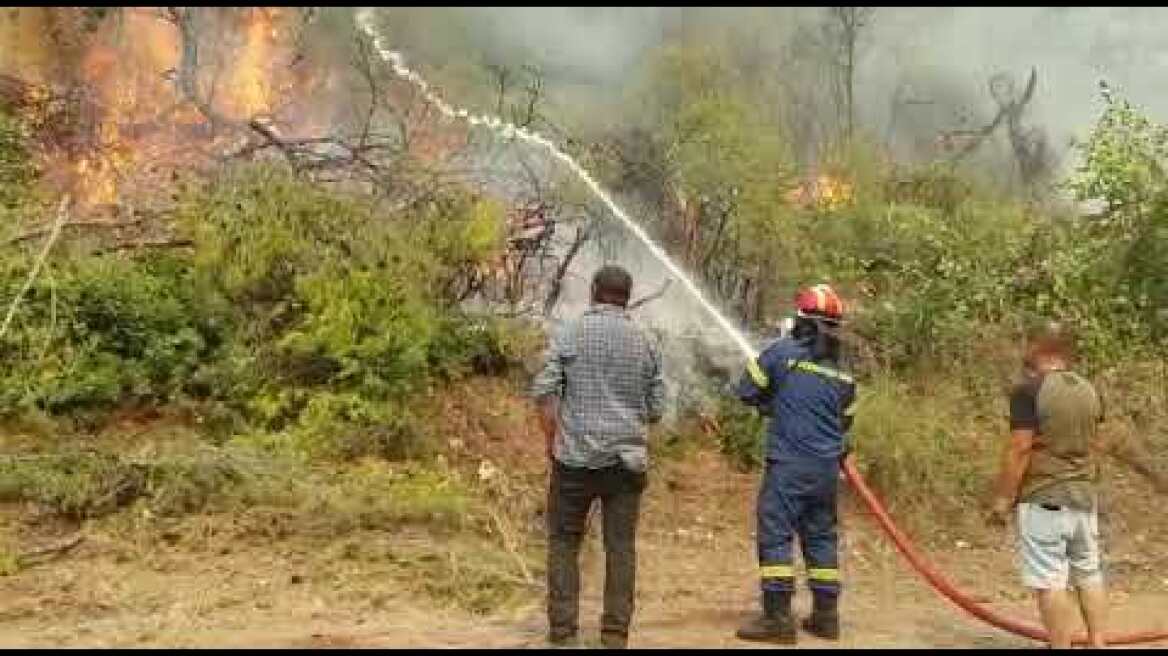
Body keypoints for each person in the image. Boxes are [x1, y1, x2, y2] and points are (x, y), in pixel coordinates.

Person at [989, 321, 1168, 649]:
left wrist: (1002, 499)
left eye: (1030, 342)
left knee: (1050, 581)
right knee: (1089, 573)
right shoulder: (1089, 391)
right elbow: (1108, 442)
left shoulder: (1028, 392)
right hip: (1084, 502)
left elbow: (1020, 449)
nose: (1024, 350)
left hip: (1044, 499)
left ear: (1043, 348)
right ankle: (1097, 642)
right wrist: (1156, 478)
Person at [530, 264, 666, 649]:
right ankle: (614, 634)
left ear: (593, 291)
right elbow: (656, 407)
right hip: (626, 465)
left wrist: (552, 438)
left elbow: (543, 389)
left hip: (573, 460)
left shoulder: (570, 332)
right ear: (627, 296)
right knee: (620, 547)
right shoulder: (646, 341)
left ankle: (563, 632)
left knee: (563, 542)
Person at [733, 283, 857, 644]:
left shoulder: (782, 353)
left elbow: (746, 390)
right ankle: (826, 616)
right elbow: (844, 421)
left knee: (776, 533)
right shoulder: (843, 372)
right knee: (820, 536)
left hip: (789, 464)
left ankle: (777, 619)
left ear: (800, 321)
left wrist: (771, 402)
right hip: (825, 471)